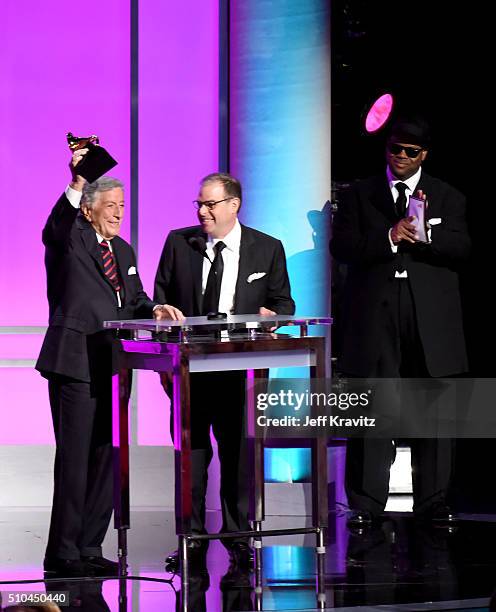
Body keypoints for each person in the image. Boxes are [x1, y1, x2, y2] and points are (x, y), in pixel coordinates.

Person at [36, 148, 173, 578]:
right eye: (109, 206)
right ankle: (63, 552)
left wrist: (154, 311)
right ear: (90, 210)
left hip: (114, 367)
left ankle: (91, 545)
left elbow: (133, 301)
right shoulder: (70, 237)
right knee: (75, 458)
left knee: (106, 457)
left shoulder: (125, 251)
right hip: (75, 363)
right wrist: (78, 181)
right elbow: (55, 225)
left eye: (122, 207)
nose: (117, 213)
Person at [330, 116, 470, 528]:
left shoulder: (448, 197)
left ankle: (434, 501)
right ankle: (367, 502)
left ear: (423, 154)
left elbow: (463, 248)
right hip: (376, 318)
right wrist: (389, 236)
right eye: (395, 149)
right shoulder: (360, 195)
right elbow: (343, 246)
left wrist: (427, 236)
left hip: (429, 319)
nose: (401, 157)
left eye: (411, 151)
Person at [154, 172, 295, 570]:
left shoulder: (267, 248)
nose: (202, 211)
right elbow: (160, 298)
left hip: (241, 372)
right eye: (198, 204)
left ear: (234, 205)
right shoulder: (179, 242)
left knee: (238, 455)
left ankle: (239, 537)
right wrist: (162, 328)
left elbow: (284, 302)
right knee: (191, 458)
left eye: (210, 204)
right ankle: (190, 539)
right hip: (190, 370)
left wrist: (273, 316)